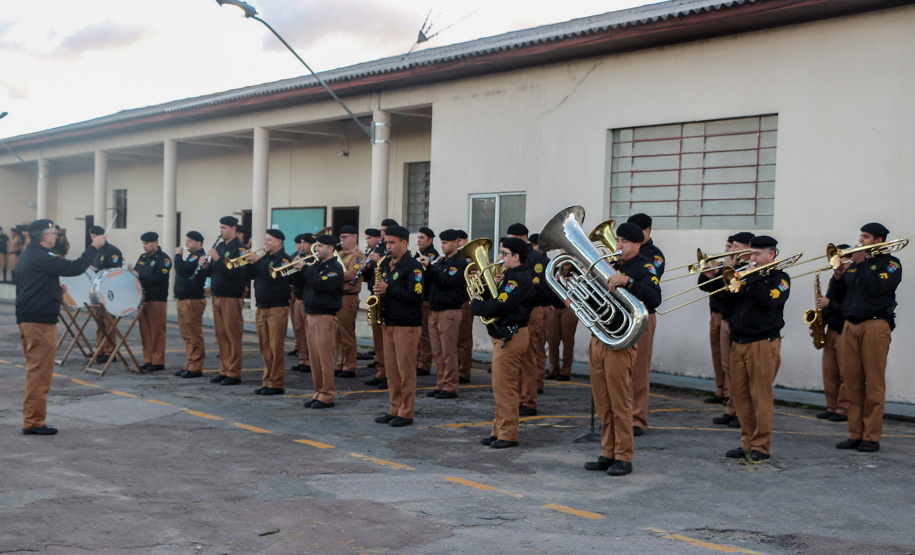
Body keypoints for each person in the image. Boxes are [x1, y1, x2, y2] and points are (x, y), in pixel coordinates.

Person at [584, 222, 661, 476]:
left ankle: (624, 456)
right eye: (617, 240)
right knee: (603, 400)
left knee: (620, 402)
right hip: (600, 337)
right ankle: (608, 452)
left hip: (621, 341)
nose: (618, 246)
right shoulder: (610, 265)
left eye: (624, 242)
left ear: (638, 244)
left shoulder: (644, 268)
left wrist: (627, 281)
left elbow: (654, 298)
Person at [15, 219, 105, 435]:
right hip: (39, 322)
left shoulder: (30, 255)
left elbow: (33, 283)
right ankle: (34, 421)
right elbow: (75, 267)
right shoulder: (42, 256)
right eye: (54, 233)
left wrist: (54, 287)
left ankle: (33, 418)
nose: (56, 237)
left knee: (36, 370)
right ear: (45, 236)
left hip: (30, 318)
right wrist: (94, 247)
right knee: (40, 373)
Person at [720, 235, 790, 463]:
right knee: (741, 397)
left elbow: (768, 301)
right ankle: (747, 443)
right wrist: (730, 285)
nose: (753, 259)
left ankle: (761, 446)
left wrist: (755, 277)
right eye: (751, 254)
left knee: (760, 396)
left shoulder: (780, 279)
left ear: (772, 254)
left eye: (758, 254)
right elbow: (727, 305)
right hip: (739, 341)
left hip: (762, 342)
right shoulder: (746, 276)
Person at [836, 223, 902, 453]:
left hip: (875, 325)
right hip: (851, 325)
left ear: (878, 240)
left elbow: (876, 288)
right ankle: (855, 433)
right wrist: (838, 276)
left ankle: (871, 437)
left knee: (873, 383)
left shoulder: (891, 264)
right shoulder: (855, 265)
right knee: (852, 383)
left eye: (865, 237)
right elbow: (841, 296)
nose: (860, 241)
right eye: (861, 236)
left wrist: (862, 263)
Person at [472, 237, 533, 448]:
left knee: (505, 388)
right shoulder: (511, 277)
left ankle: (508, 434)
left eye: (504, 253)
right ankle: (498, 431)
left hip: (512, 336)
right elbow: (496, 299)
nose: (500, 257)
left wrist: (475, 306)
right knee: (500, 387)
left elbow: (499, 305)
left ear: (516, 256)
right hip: (505, 336)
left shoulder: (519, 279)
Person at [372, 225, 424, 427]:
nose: (388, 246)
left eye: (392, 243)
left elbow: (415, 295)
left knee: (405, 371)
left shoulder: (414, 267)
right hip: (389, 322)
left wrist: (389, 289)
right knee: (392, 371)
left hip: (406, 324)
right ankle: (394, 407)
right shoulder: (387, 264)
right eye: (386, 243)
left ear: (404, 243)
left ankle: (406, 411)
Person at [708, 232, 754, 428]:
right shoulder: (734, 266)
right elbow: (717, 291)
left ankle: (742, 412)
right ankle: (732, 408)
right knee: (729, 368)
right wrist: (717, 272)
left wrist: (730, 270)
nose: (731, 249)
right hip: (728, 320)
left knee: (743, 372)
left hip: (743, 324)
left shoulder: (751, 269)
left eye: (736, 246)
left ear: (747, 248)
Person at [625, 213, 664, 436]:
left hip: (643, 316)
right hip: (622, 317)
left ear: (647, 232)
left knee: (639, 370)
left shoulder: (654, 257)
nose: (621, 244)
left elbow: (650, 285)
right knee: (620, 370)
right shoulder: (621, 259)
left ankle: (637, 419)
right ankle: (621, 415)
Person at [297, 234, 345, 408]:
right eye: (316, 246)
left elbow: (322, 285)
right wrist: (298, 269)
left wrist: (305, 269)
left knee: (325, 358)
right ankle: (318, 391)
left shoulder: (335, 268)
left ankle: (328, 394)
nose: (316, 249)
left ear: (331, 248)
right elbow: (301, 284)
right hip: (311, 314)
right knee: (315, 358)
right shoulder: (316, 266)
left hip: (325, 316)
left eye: (320, 246)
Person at [506, 223, 548, 417]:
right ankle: (518, 398)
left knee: (528, 357)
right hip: (516, 310)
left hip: (530, 310)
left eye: (513, 239)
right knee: (516, 358)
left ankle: (529, 401)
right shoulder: (513, 258)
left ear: (524, 238)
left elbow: (536, 288)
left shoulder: (536, 259)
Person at [247, 229, 293, 396]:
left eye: (269, 240)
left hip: (277, 307)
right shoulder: (264, 258)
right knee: (265, 347)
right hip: (262, 306)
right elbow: (251, 275)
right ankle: (267, 380)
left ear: (279, 241)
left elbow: (276, 276)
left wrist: (258, 261)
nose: (265, 243)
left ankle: (277, 383)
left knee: (275, 347)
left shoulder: (284, 259)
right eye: (266, 239)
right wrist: (249, 262)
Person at [422, 229, 467, 399]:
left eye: (446, 243)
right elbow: (432, 282)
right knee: (438, 352)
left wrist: (431, 268)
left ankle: (450, 386)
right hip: (434, 309)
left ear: (455, 243)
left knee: (448, 351)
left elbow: (447, 281)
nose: (442, 246)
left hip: (449, 311)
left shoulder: (459, 263)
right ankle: (441, 383)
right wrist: (427, 269)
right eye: (441, 242)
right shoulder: (441, 262)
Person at [207, 216, 249, 386]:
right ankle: (224, 369)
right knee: (221, 335)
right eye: (220, 228)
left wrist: (217, 259)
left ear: (233, 229)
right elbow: (215, 271)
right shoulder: (220, 246)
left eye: (224, 228)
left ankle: (234, 372)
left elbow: (236, 272)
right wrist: (206, 266)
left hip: (231, 296)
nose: (221, 231)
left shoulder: (240, 249)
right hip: (217, 294)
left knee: (233, 335)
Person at [814, 244, 851, 421]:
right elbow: (830, 297)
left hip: (845, 329)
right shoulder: (835, 278)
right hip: (832, 329)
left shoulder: (855, 278)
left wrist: (830, 304)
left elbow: (851, 306)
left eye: (843, 258)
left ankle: (843, 409)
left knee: (845, 372)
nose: (839, 262)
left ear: (850, 260)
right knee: (829, 371)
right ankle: (832, 406)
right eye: (837, 258)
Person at [702, 236, 734, 404]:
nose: (728, 250)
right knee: (717, 352)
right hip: (715, 313)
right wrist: (710, 274)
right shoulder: (721, 266)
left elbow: (725, 291)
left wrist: (722, 272)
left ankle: (730, 392)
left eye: (732, 246)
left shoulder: (737, 268)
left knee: (729, 357)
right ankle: (720, 388)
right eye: (727, 246)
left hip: (729, 315)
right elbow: (704, 286)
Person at [173, 231, 208, 378]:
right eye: (186, 241)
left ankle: (196, 366)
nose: (186, 244)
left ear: (198, 243)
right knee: (186, 335)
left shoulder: (198, 256)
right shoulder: (191, 256)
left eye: (190, 241)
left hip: (192, 300)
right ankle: (189, 362)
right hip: (183, 298)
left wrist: (178, 255)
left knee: (194, 335)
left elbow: (181, 268)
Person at [134, 231, 171, 371]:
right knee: (145, 331)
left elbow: (159, 278)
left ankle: (158, 361)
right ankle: (148, 359)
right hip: (143, 298)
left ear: (155, 243)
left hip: (157, 298)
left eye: (147, 243)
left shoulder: (163, 258)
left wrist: (140, 277)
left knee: (157, 331)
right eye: (143, 243)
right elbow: (135, 272)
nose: (144, 246)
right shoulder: (143, 257)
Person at [334, 226, 365, 379]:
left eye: (345, 237)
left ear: (354, 237)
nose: (342, 240)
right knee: (337, 334)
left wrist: (333, 274)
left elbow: (353, 274)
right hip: (337, 295)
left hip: (348, 296)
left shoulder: (358, 255)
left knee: (346, 333)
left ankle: (349, 365)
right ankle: (340, 362)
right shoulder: (339, 254)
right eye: (341, 237)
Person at [88, 225, 123, 364]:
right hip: (97, 291)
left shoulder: (112, 251)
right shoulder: (94, 251)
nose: (93, 239)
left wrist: (96, 269)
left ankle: (110, 351)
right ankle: (100, 349)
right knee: (99, 322)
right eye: (91, 237)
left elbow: (114, 270)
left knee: (109, 322)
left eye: (94, 237)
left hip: (109, 291)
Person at [363, 226, 389, 389]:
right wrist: (367, 267)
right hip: (375, 296)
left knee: (387, 341)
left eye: (385, 231)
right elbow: (368, 277)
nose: (382, 234)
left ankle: (389, 373)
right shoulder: (376, 251)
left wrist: (379, 260)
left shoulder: (388, 253)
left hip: (387, 299)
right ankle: (382, 368)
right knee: (378, 338)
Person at [528, 233, 554, 393]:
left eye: (533, 245)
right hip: (537, 307)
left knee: (538, 347)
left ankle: (538, 382)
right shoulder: (533, 260)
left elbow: (541, 287)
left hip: (543, 307)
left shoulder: (544, 262)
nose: (531, 248)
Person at [545, 261, 577, 381]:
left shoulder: (577, 270)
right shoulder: (554, 269)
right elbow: (548, 286)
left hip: (569, 309)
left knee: (568, 341)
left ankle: (565, 372)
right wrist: (549, 303)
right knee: (552, 340)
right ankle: (553, 370)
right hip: (554, 308)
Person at [415, 226, 439, 376]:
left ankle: (424, 363)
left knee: (424, 333)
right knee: (417, 332)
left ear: (430, 240)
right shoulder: (418, 254)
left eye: (422, 237)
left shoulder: (432, 255)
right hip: (417, 298)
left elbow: (428, 275)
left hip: (426, 298)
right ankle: (417, 360)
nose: (418, 240)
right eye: (418, 237)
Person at [290, 233, 314, 373]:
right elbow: (295, 279)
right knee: (299, 330)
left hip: (308, 298)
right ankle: (302, 359)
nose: (302, 245)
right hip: (298, 297)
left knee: (308, 331)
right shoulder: (299, 257)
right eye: (301, 242)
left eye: (305, 243)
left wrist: (302, 267)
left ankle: (311, 360)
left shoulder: (313, 259)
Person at [455, 229, 474, 384]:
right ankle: (455, 369)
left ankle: (464, 371)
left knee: (463, 338)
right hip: (453, 302)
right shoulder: (453, 259)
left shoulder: (471, 259)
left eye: (460, 241)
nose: (458, 244)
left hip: (465, 301)